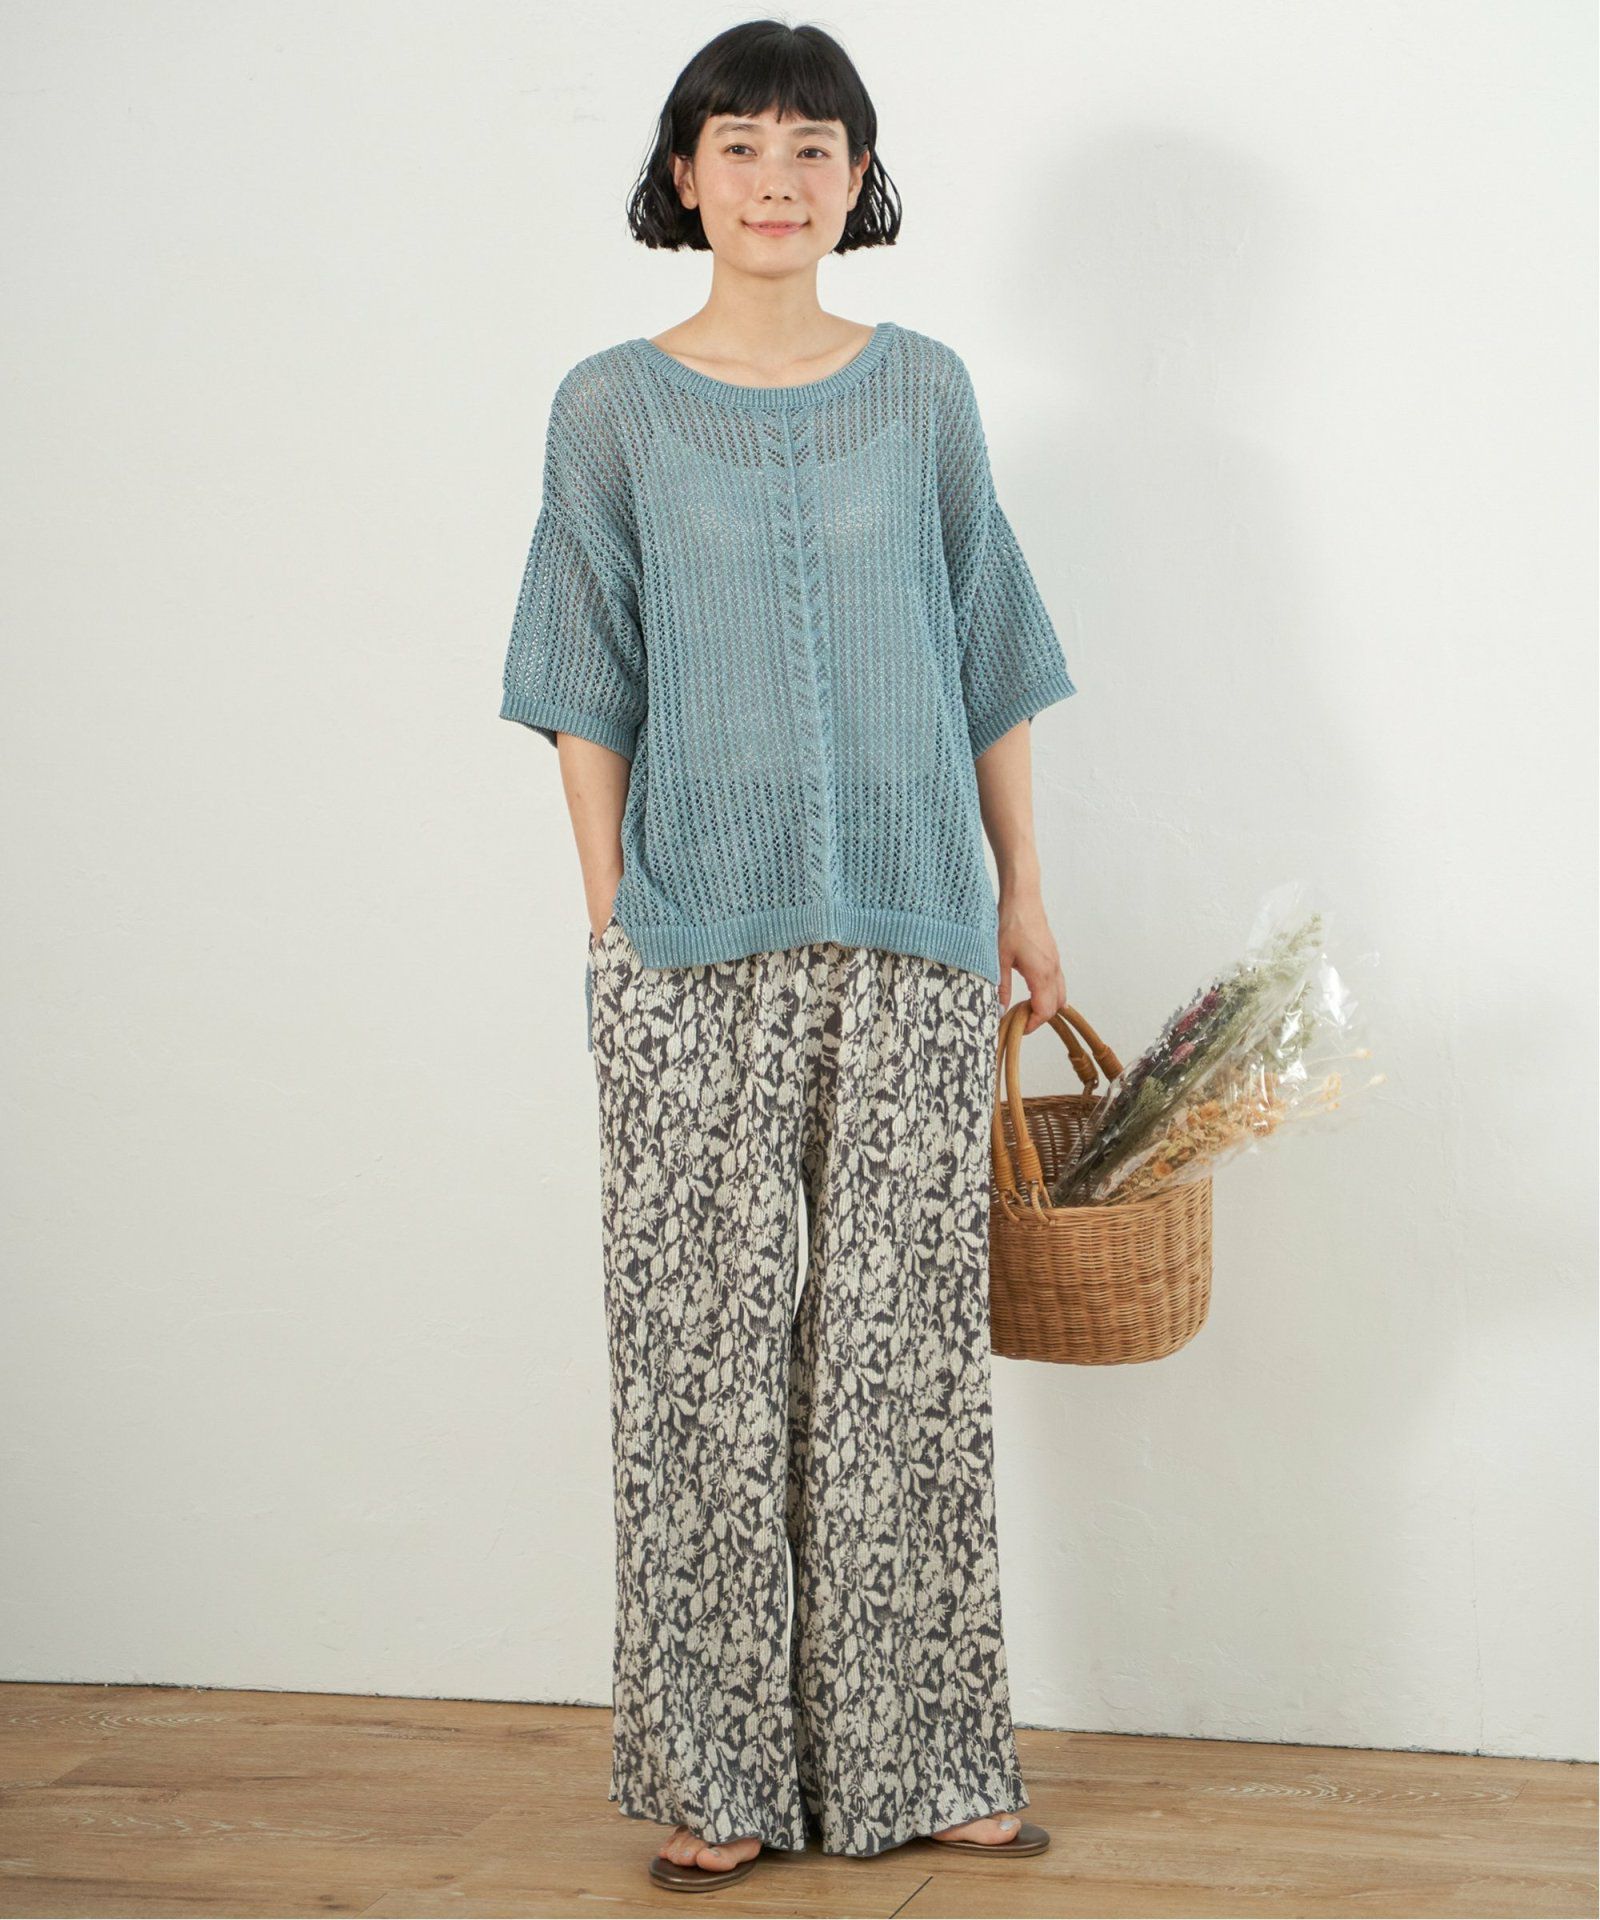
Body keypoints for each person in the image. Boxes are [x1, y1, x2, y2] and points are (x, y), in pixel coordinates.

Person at [500, 17, 1072, 1895]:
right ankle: (719, 1773)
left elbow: (987, 649)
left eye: (814, 148)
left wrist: (1023, 894)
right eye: (738, 145)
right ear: (683, 176)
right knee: (698, 1356)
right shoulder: (609, 406)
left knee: (904, 1356)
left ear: (859, 179)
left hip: (915, 931)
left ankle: (930, 1758)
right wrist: (612, 916)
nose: (776, 178)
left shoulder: (924, 393)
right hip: (686, 945)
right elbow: (582, 672)